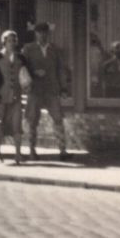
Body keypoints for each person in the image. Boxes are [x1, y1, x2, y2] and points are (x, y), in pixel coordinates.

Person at [21, 22, 72, 161]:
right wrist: (33, 73)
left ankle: (63, 150)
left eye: (44, 32)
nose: (42, 35)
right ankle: (32, 150)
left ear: (48, 34)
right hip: (35, 90)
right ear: (35, 33)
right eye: (39, 32)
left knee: (58, 119)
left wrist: (63, 88)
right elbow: (21, 68)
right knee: (32, 120)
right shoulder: (28, 48)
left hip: (52, 89)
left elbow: (61, 69)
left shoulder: (55, 49)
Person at [0, 30, 30, 164]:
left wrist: (28, 83)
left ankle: (18, 154)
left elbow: (25, 76)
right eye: (10, 40)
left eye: (14, 40)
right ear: (4, 42)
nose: (12, 43)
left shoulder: (21, 58)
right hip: (1, 96)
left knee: (17, 125)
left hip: (16, 97)